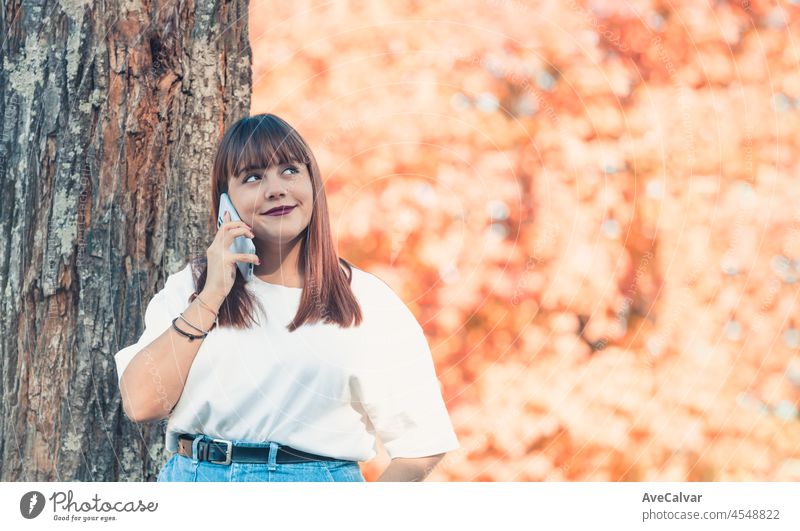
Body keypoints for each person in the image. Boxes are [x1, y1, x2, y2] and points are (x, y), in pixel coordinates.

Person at [114, 113, 460, 482]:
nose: (276, 188)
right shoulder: (190, 287)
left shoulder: (366, 301)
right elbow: (140, 402)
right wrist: (210, 297)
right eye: (252, 177)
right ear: (225, 204)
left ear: (313, 184)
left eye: (290, 170)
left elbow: (421, 446)